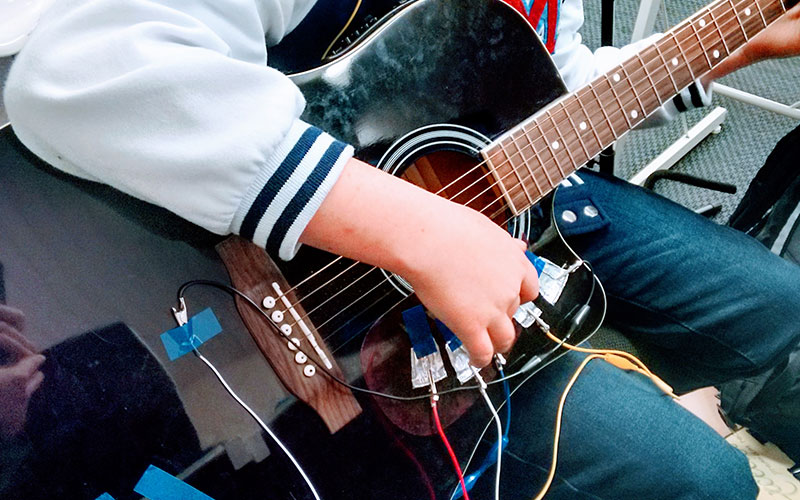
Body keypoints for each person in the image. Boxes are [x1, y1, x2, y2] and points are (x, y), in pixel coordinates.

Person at [5, 0, 800, 498]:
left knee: (781, 305)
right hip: (311, 292)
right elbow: (76, 75)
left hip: (519, 188)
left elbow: (556, 84)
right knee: (704, 481)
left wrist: (741, 44)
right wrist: (416, 232)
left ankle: (741, 400)